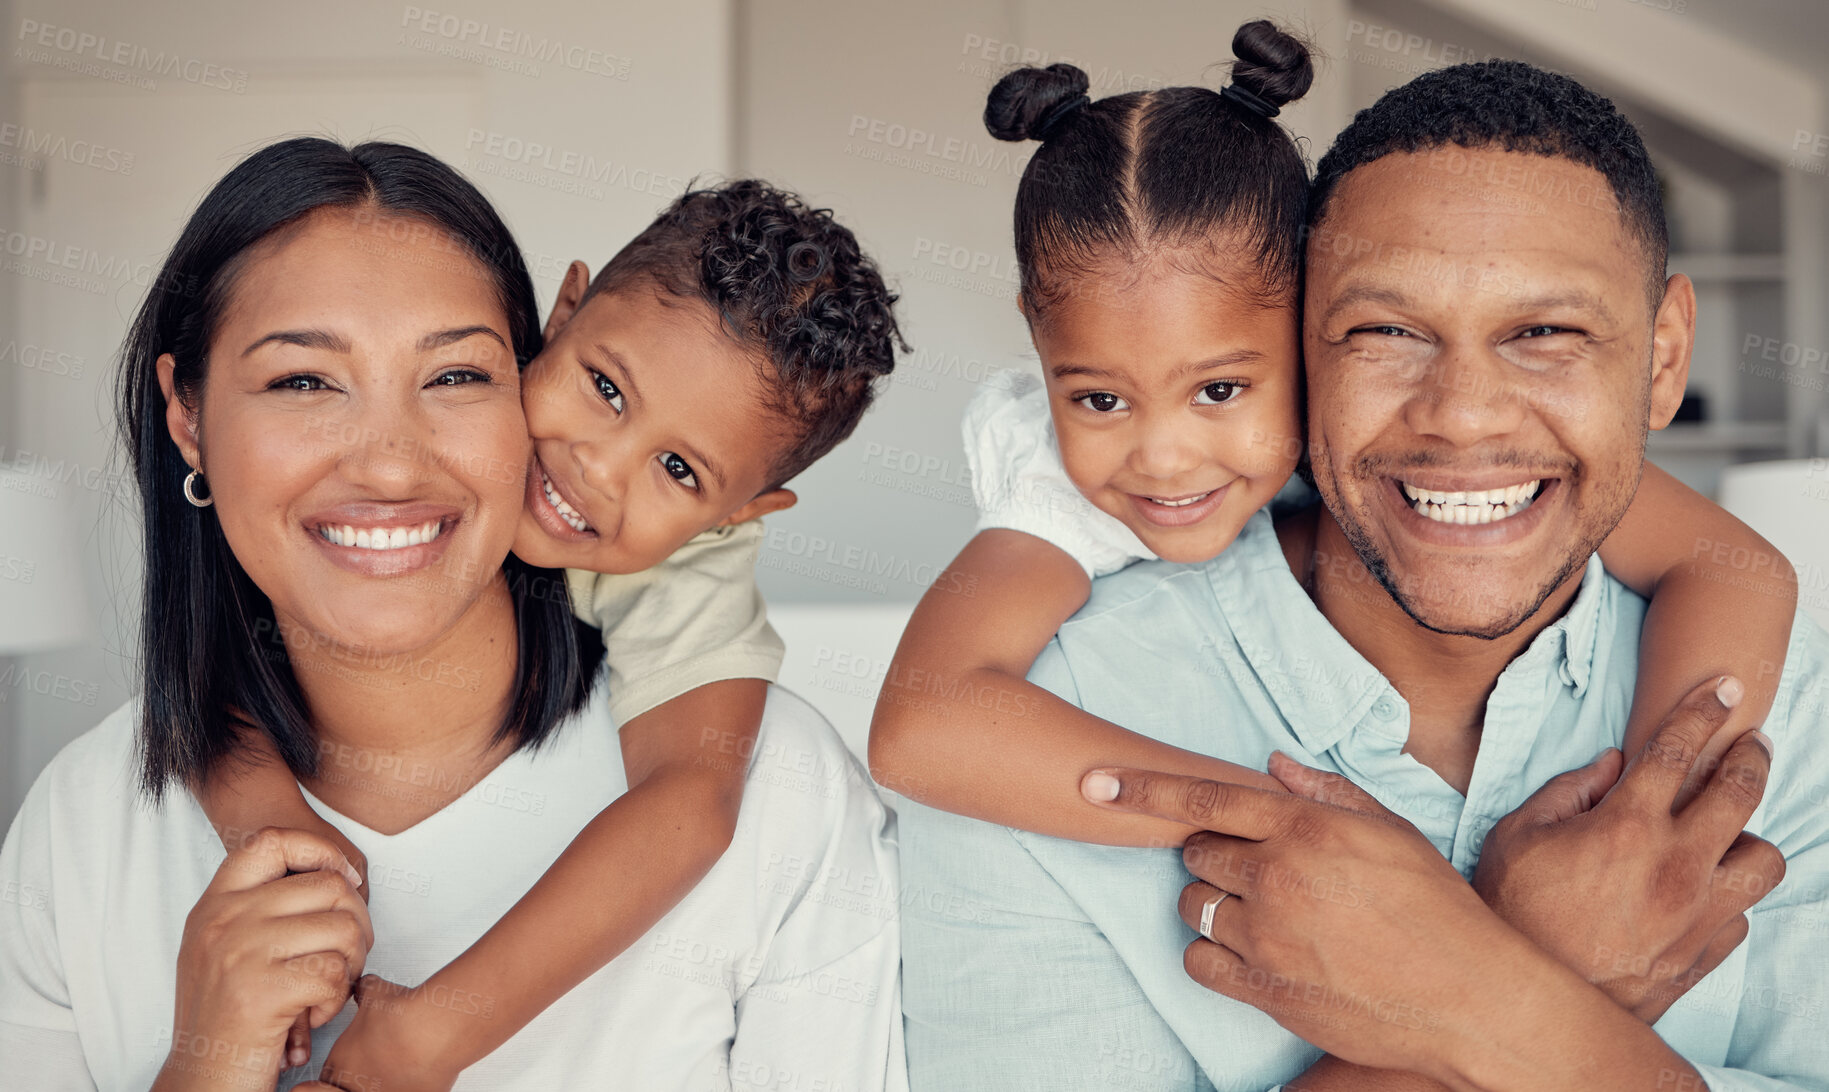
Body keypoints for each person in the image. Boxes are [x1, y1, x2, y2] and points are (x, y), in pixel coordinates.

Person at [895, 59, 1826, 1090]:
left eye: (1544, 332)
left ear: (1659, 359)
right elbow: (921, 724)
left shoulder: (1784, 701)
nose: (1463, 412)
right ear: (1306, 340)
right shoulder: (1048, 710)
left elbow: (1735, 568)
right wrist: (1498, 972)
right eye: (1383, 331)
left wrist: (1605, 869)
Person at [0, 138, 904, 1092]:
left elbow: (692, 806)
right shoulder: (83, 822)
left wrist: (426, 1036)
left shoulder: (776, 785)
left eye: (455, 376)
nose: (390, 465)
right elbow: (208, 681)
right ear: (187, 416)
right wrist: (208, 1062)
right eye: (303, 380)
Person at [872, 22, 1792, 848]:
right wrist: (1310, 833)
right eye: (1101, 401)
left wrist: (1649, 822)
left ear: (1305, 337)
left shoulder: (1380, 423)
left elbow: (1734, 569)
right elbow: (924, 726)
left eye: (1221, 389)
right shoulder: (1053, 496)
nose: (1162, 456)